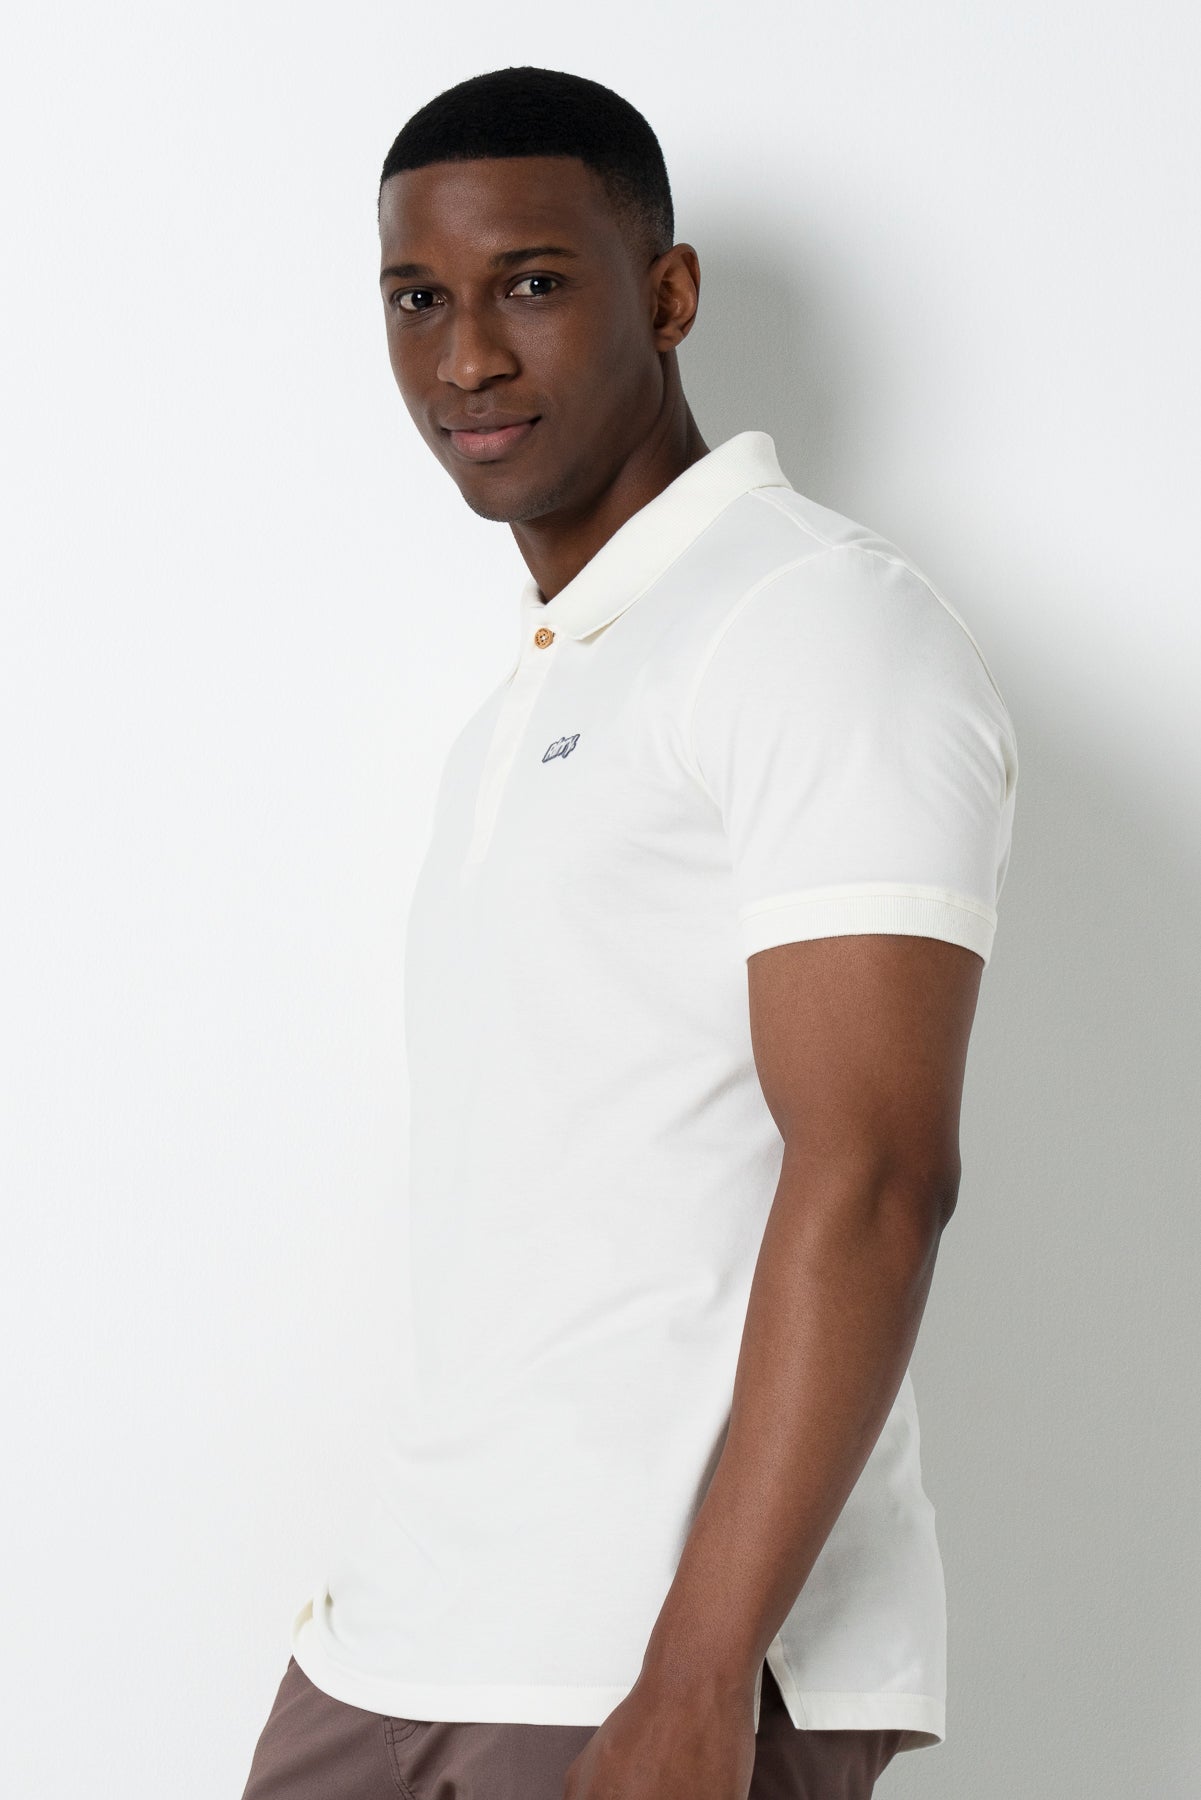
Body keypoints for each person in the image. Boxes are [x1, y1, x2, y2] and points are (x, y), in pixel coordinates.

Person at [239, 64, 1019, 1800]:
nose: (464, 358)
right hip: (401, 1637)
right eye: (415, 300)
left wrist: (694, 1677)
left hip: (650, 1674)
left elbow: (878, 1175)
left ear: (665, 296)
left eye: (530, 283)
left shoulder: (816, 626)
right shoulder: (542, 690)